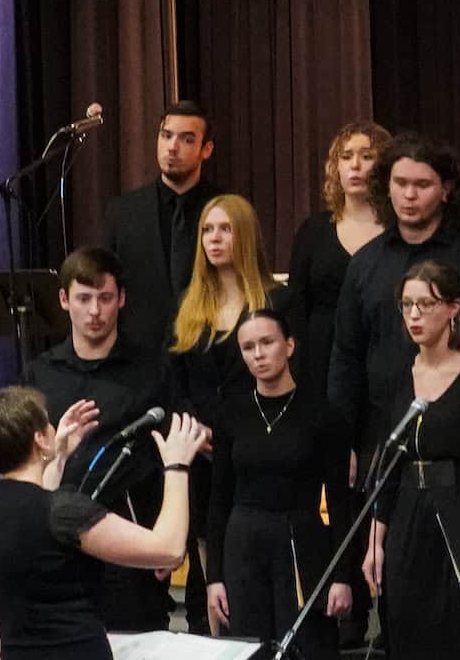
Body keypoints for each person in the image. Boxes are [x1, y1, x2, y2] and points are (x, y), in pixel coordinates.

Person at [329, 132, 460, 494]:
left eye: (422, 185)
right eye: (400, 183)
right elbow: (346, 356)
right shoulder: (365, 264)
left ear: (446, 190)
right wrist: (344, 439)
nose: (409, 195)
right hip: (381, 434)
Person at [0, 386, 207, 660]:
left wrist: (58, 456)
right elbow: (169, 549)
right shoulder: (64, 511)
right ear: (41, 438)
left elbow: (33, 511)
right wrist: (177, 466)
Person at [361, 260, 460, 659]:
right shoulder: (399, 375)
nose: (414, 315)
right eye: (406, 305)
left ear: (453, 308)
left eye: (426, 304)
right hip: (409, 520)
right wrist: (375, 542)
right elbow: (389, 464)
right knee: (409, 627)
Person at [23, 247, 176, 631]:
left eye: (105, 298)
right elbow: (25, 462)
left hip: (130, 541)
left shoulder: (151, 371)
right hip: (59, 545)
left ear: (121, 299)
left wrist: (165, 540)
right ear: (63, 300)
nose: (95, 312)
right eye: (84, 299)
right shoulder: (41, 373)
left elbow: (173, 455)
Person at [287, 119, 391, 647]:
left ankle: (391, 597)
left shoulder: (397, 232)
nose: (355, 165)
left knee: (383, 483)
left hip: (384, 373)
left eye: (366, 155)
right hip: (325, 371)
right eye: (345, 155)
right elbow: (297, 315)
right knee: (337, 486)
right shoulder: (313, 231)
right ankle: (346, 596)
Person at [168, 193, 290, 634]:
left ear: (244, 236)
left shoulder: (274, 301)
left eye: (224, 229)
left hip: (254, 446)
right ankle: (216, 636)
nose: (213, 239)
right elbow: (175, 379)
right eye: (206, 230)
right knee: (206, 544)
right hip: (201, 446)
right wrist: (192, 428)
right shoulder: (189, 303)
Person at [203, 309, 352, 659]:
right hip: (243, 542)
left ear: (289, 344)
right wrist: (213, 578)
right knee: (249, 647)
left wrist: (342, 577)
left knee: (307, 646)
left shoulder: (324, 415)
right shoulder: (230, 413)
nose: (258, 354)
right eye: (248, 346)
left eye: (267, 342)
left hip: (302, 541)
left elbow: (340, 501)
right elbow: (218, 499)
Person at [105, 100, 222, 354]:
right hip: (138, 357)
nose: (172, 147)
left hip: (208, 353)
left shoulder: (225, 209)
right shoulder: (123, 211)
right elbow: (107, 285)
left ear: (207, 149)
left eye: (187, 139)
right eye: (166, 136)